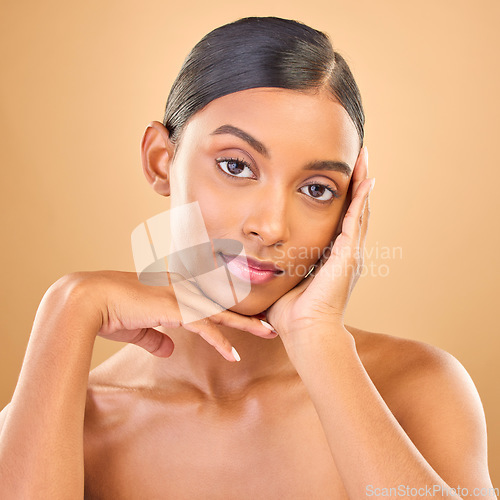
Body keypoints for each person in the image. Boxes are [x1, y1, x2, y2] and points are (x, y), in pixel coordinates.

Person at [0, 16, 496, 499]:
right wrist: (68, 307)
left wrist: (317, 334)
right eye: (236, 165)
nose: (272, 227)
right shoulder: (58, 424)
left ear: (350, 208)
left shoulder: (418, 389)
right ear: (160, 160)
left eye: (318, 189)